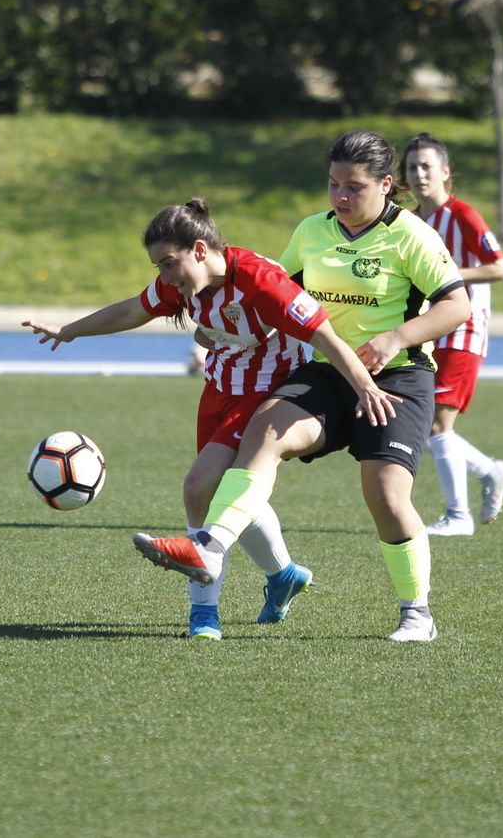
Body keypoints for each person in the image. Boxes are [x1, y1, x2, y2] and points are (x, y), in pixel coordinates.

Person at [133, 131, 470, 642]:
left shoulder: (412, 235)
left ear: (385, 185)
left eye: (353, 187)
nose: (339, 197)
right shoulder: (313, 231)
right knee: (264, 432)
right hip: (325, 372)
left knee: (384, 493)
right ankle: (210, 546)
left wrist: (392, 338)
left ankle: (416, 612)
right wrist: (222, 333)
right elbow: (272, 296)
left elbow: (457, 306)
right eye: (333, 184)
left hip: (399, 375)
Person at [24, 198, 396, 641]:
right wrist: (70, 331)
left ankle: (204, 615)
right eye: (158, 267)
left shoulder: (262, 280)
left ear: (200, 250)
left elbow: (325, 336)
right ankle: (283, 576)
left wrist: (365, 387)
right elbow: (131, 310)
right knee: (229, 493)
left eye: (168, 264)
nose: (164, 277)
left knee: (198, 486)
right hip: (220, 391)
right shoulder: (182, 285)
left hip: (265, 395)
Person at [402, 131, 503, 535]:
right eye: (412, 167)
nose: (418, 174)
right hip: (430, 330)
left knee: (436, 423)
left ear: (445, 172)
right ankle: (491, 471)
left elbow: (498, 268)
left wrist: (449, 276)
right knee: (425, 423)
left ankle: (458, 516)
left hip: (465, 327)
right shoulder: (412, 221)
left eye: (426, 166)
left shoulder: (464, 215)